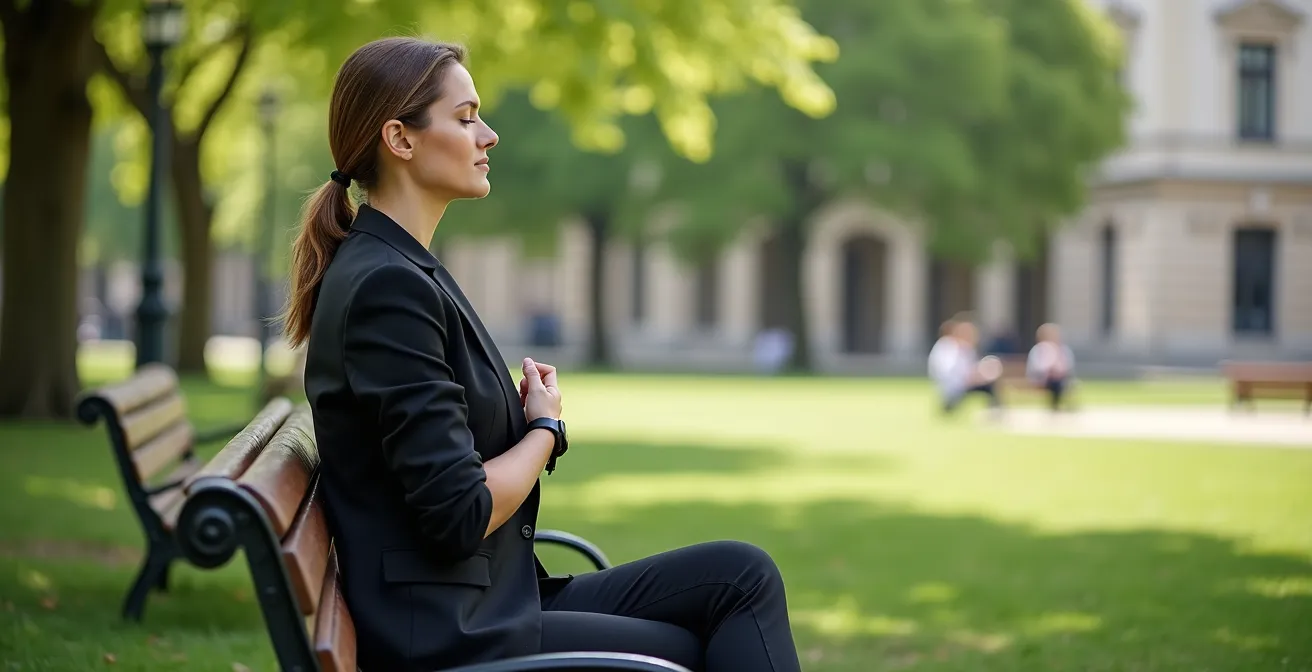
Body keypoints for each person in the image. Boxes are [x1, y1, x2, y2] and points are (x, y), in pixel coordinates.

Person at [280, 37, 799, 672]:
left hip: (491, 598)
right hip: (453, 632)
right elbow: (460, 513)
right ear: (401, 138)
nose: (489, 135)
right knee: (697, 646)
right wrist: (544, 431)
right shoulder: (388, 286)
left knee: (740, 575)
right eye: (467, 117)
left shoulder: (398, 268)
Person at [928, 319, 1001, 414]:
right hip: (953, 386)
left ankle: (994, 411)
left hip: (962, 383)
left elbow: (971, 367)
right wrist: (971, 377)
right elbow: (948, 371)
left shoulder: (965, 348)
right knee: (988, 386)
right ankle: (950, 404)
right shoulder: (947, 347)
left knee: (989, 384)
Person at [1026, 322, 1075, 411]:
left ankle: (1057, 406)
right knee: (1056, 383)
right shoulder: (1039, 350)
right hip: (1043, 377)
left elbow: (1068, 365)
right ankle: (1055, 406)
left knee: (1062, 383)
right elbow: (1035, 366)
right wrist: (1049, 370)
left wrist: (1058, 371)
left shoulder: (1062, 349)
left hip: (1059, 377)